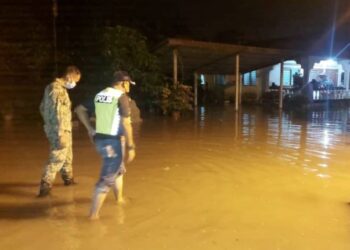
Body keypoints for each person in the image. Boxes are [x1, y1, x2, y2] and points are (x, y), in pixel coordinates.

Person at [75, 70, 136, 220]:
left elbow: (79, 109)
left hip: (101, 140)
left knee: (118, 169)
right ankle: (93, 216)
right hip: (112, 143)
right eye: (128, 83)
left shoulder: (100, 95)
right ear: (123, 83)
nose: (129, 87)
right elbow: (126, 123)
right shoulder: (121, 97)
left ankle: (119, 199)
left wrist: (90, 129)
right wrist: (131, 146)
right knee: (107, 178)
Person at [38, 65, 81, 197]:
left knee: (67, 155)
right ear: (69, 77)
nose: (74, 84)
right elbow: (59, 113)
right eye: (75, 81)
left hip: (60, 127)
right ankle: (45, 186)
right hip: (59, 129)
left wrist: (49, 124)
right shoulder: (58, 90)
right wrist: (60, 132)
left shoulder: (52, 87)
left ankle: (68, 179)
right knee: (58, 157)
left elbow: (41, 108)